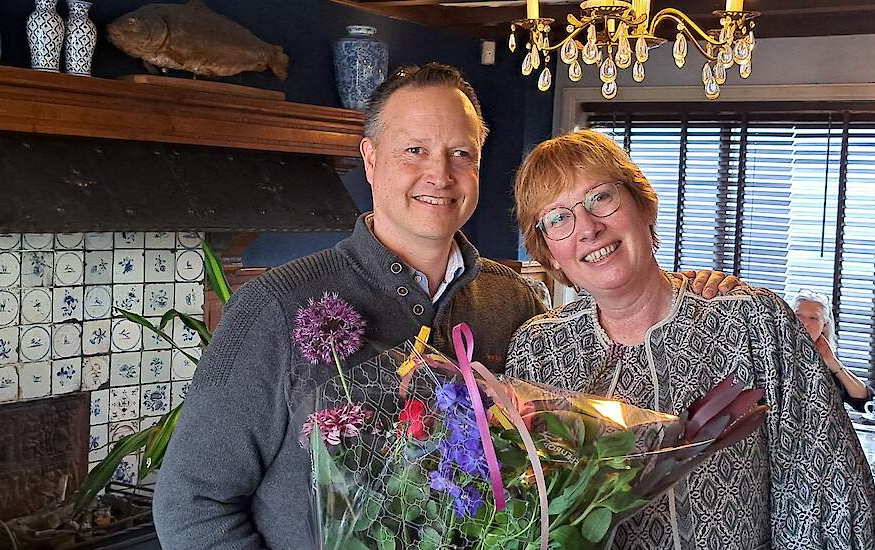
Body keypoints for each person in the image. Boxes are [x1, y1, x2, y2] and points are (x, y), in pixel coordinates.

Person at [153, 64, 737, 549]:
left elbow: (547, 457)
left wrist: (688, 289)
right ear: (371, 159)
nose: (440, 173)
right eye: (414, 150)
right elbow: (193, 504)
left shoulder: (514, 304)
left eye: (461, 153)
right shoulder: (276, 307)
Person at [506, 130, 875, 550]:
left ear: (643, 205)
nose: (588, 228)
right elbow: (527, 512)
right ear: (550, 254)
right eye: (558, 218)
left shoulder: (752, 324)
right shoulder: (537, 350)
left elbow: (827, 493)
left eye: (600, 198)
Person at [792, 288, 874, 410]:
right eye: (798, 315)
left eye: (813, 318)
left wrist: (833, 362)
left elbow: (865, 402)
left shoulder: (826, 359)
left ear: (824, 326)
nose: (804, 323)